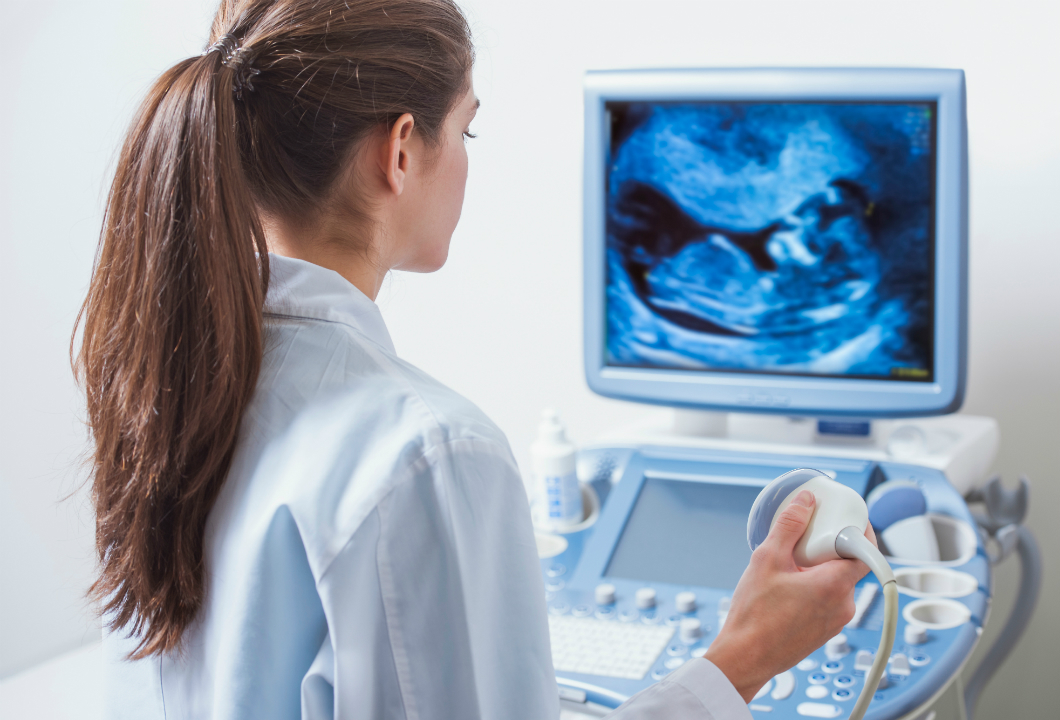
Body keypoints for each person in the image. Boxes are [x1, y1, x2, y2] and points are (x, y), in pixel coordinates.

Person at [75, 1, 874, 718]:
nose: (466, 159)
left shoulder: (164, 388)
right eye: (466, 130)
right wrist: (744, 658)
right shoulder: (428, 455)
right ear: (399, 151)